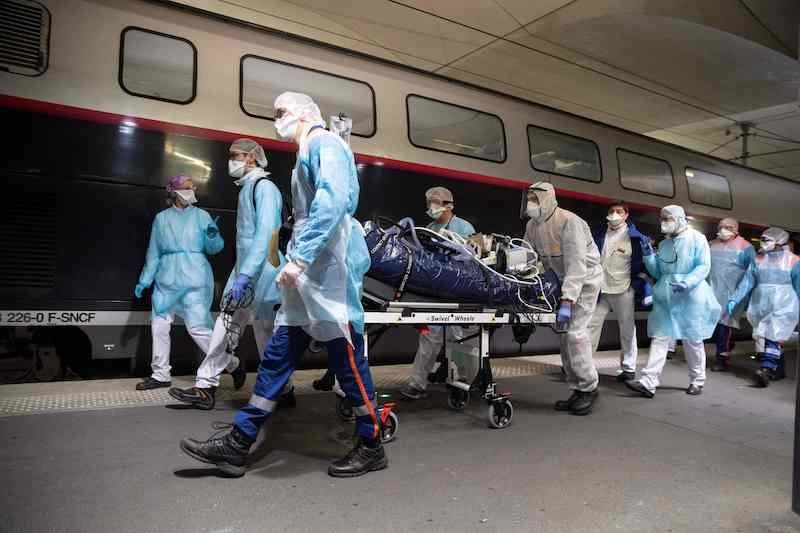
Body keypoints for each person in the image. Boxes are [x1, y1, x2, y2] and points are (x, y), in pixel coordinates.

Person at [180, 92, 386, 478]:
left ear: (305, 113)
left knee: (347, 358)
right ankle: (239, 441)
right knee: (279, 352)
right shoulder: (311, 151)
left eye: (282, 112)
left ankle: (371, 442)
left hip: (327, 270)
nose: (277, 120)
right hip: (308, 270)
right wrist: (297, 260)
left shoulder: (325, 144)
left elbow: (334, 201)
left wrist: (302, 257)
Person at [169, 139, 294, 410]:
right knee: (250, 329)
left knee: (243, 326)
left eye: (236, 156)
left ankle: (208, 387)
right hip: (253, 271)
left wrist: (246, 275)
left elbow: (266, 235)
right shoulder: (250, 188)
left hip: (260, 271)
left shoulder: (264, 188)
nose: (232, 161)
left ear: (251, 159)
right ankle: (280, 389)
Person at [133, 174, 224, 390]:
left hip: (194, 278)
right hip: (166, 280)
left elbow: (215, 248)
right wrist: (145, 280)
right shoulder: (161, 219)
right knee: (159, 326)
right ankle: (160, 374)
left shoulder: (203, 216)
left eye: (192, 188)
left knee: (198, 328)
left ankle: (229, 361)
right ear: (173, 191)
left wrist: (212, 236)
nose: (190, 191)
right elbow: (154, 252)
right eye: (185, 188)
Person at [626, 205, 720, 398]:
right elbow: (658, 273)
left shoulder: (697, 239)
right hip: (667, 296)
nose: (663, 222)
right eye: (662, 218)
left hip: (691, 297)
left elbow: (703, 266)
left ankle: (697, 380)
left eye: (667, 218)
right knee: (661, 337)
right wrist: (649, 256)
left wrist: (688, 282)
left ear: (679, 219)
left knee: (692, 339)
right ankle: (648, 382)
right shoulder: (664, 244)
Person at [524, 181, 602, 415]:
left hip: (585, 281)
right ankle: (577, 388)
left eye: (534, 199)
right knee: (564, 338)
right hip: (560, 281)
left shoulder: (570, 222)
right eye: (528, 198)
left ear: (547, 199)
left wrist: (568, 301)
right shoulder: (532, 225)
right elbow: (528, 257)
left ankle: (589, 388)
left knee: (576, 334)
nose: (530, 204)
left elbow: (576, 265)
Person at [399, 186, 477, 400]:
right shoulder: (430, 228)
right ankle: (417, 384)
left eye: (434, 202)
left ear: (448, 205)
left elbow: (473, 259)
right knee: (429, 338)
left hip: (460, 292)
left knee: (459, 338)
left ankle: (461, 385)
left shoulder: (463, 227)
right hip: (437, 294)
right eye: (428, 203)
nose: (430, 207)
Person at [587, 201, 652, 382]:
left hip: (624, 289)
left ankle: (629, 368)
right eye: (612, 211)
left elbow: (643, 265)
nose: (614, 214)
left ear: (626, 215)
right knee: (590, 327)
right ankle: (583, 365)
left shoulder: (636, 238)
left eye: (619, 212)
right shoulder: (599, 234)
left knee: (627, 329)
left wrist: (636, 285)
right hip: (600, 289)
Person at [727, 227, 800, 387]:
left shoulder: (794, 261)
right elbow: (748, 282)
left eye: (767, 240)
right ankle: (778, 369)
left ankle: (765, 369)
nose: (763, 242)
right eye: (762, 239)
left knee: (773, 336)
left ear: (780, 242)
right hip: (761, 303)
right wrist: (735, 299)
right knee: (769, 337)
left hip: (784, 304)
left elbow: (799, 285)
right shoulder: (758, 260)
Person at [707, 218, 756, 371]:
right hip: (711, 292)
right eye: (721, 227)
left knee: (725, 328)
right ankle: (725, 349)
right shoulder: (711, 244)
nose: (723, 230)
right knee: (712, 327)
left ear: (736, 230)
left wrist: (739, 297)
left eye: (728, 227)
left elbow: (751, 275)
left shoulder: (746, 247)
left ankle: (722, 359)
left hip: (732, 295)